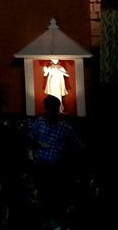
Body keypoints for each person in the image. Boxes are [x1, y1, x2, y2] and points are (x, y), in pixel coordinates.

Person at [28, 95, 83, 225]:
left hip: (56, 167)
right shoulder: (39, 123)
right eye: (50, 109)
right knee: (41, 194)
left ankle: (53, 219)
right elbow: (30, 139)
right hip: (40, 165)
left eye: (55, 109)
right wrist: (35, 146)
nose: (52, 112)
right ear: (46, 109)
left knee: (53, 195)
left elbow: (78, 145)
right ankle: (44, 220)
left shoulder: (65, 127)